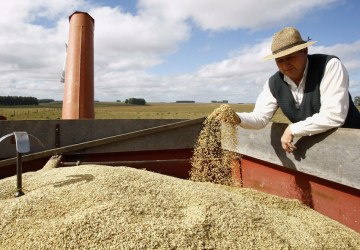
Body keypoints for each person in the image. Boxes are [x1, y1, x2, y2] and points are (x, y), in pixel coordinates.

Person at [231, 26, 360, 153]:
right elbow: (260, 117)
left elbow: (334, 115)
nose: (285, 65)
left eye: (290, 57)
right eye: (279, 60)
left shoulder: (329, 66)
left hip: (353, 147)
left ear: (304, 51)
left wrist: (292, 129)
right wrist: (235, 117)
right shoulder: (274, 83)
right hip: (317, 151)